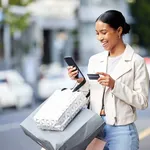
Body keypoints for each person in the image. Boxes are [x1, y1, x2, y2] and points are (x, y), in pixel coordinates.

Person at [67, 10, 149, 150]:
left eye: (104, 32)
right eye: (97, 33)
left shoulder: (136, 62)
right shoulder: (94, 60)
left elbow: (142, 102)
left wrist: (115, 85)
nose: (100, 38)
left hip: (122, 131)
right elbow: (88, 96)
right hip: (95, 130)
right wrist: (80, 81)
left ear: (118, 30)